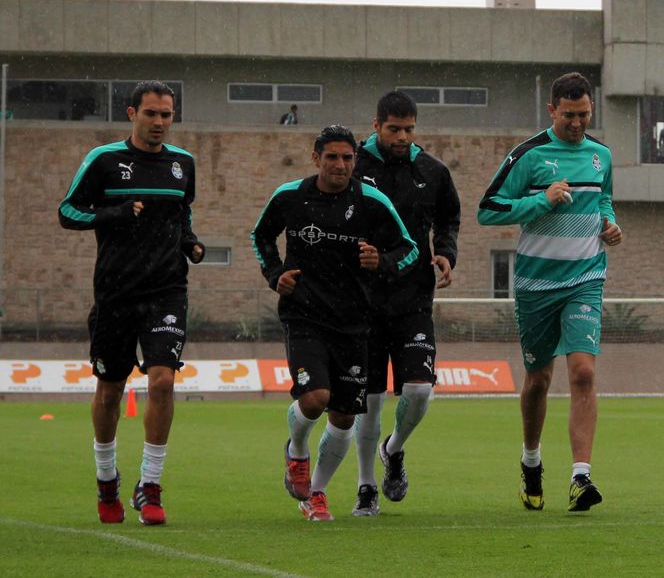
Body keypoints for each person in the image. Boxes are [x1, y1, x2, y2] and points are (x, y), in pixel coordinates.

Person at [251, 125, 418, 522]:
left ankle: (318, 494)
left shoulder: (372, 201)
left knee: (344, 416)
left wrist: (384, 262)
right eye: (332, 157)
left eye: (347, 158)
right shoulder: (290, 196)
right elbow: (261, 237)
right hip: (304, 315)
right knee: (315, 399)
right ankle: (296, 450)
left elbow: (409, 249)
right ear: (316, 158)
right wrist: (275, 274)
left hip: (355, 322)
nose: (340, 165)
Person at [58, 80, 205, 526]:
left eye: (166, 114)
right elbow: (68, 212)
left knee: (162, 382)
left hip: (167, 291)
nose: (159, 122)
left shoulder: (184, 164)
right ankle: (107, 480)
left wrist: (191, 243)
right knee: (110, 389)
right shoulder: (104, 161)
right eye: (151, 114)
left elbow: (183, 214)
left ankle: (151, 485)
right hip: (116, 293)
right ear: (131, 113)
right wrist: (114, 214)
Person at [477, 72, 623, 512]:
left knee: (583, 373)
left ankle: (581, 478)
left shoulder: (601, 156)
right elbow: (489, 210)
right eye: (569, 116)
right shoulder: (528, 154)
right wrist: (541, 200)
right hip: (536, 284)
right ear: (552, 110)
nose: (577, 124)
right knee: (539, 380)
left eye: (584, 115)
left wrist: (609, 224)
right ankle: (531, 461)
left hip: (585, 278)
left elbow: (603, 200)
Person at [351, 91, 461, 516]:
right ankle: (365, 488)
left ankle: (393, 449)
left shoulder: (432, 171)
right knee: (370, 400)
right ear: (376, 125)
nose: (402, 137)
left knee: (418, 391)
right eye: (394, 129)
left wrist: (446, 253)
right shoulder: (354, 166)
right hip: (362, 302)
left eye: (409, 129)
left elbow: (449, 217)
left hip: (414, 297)